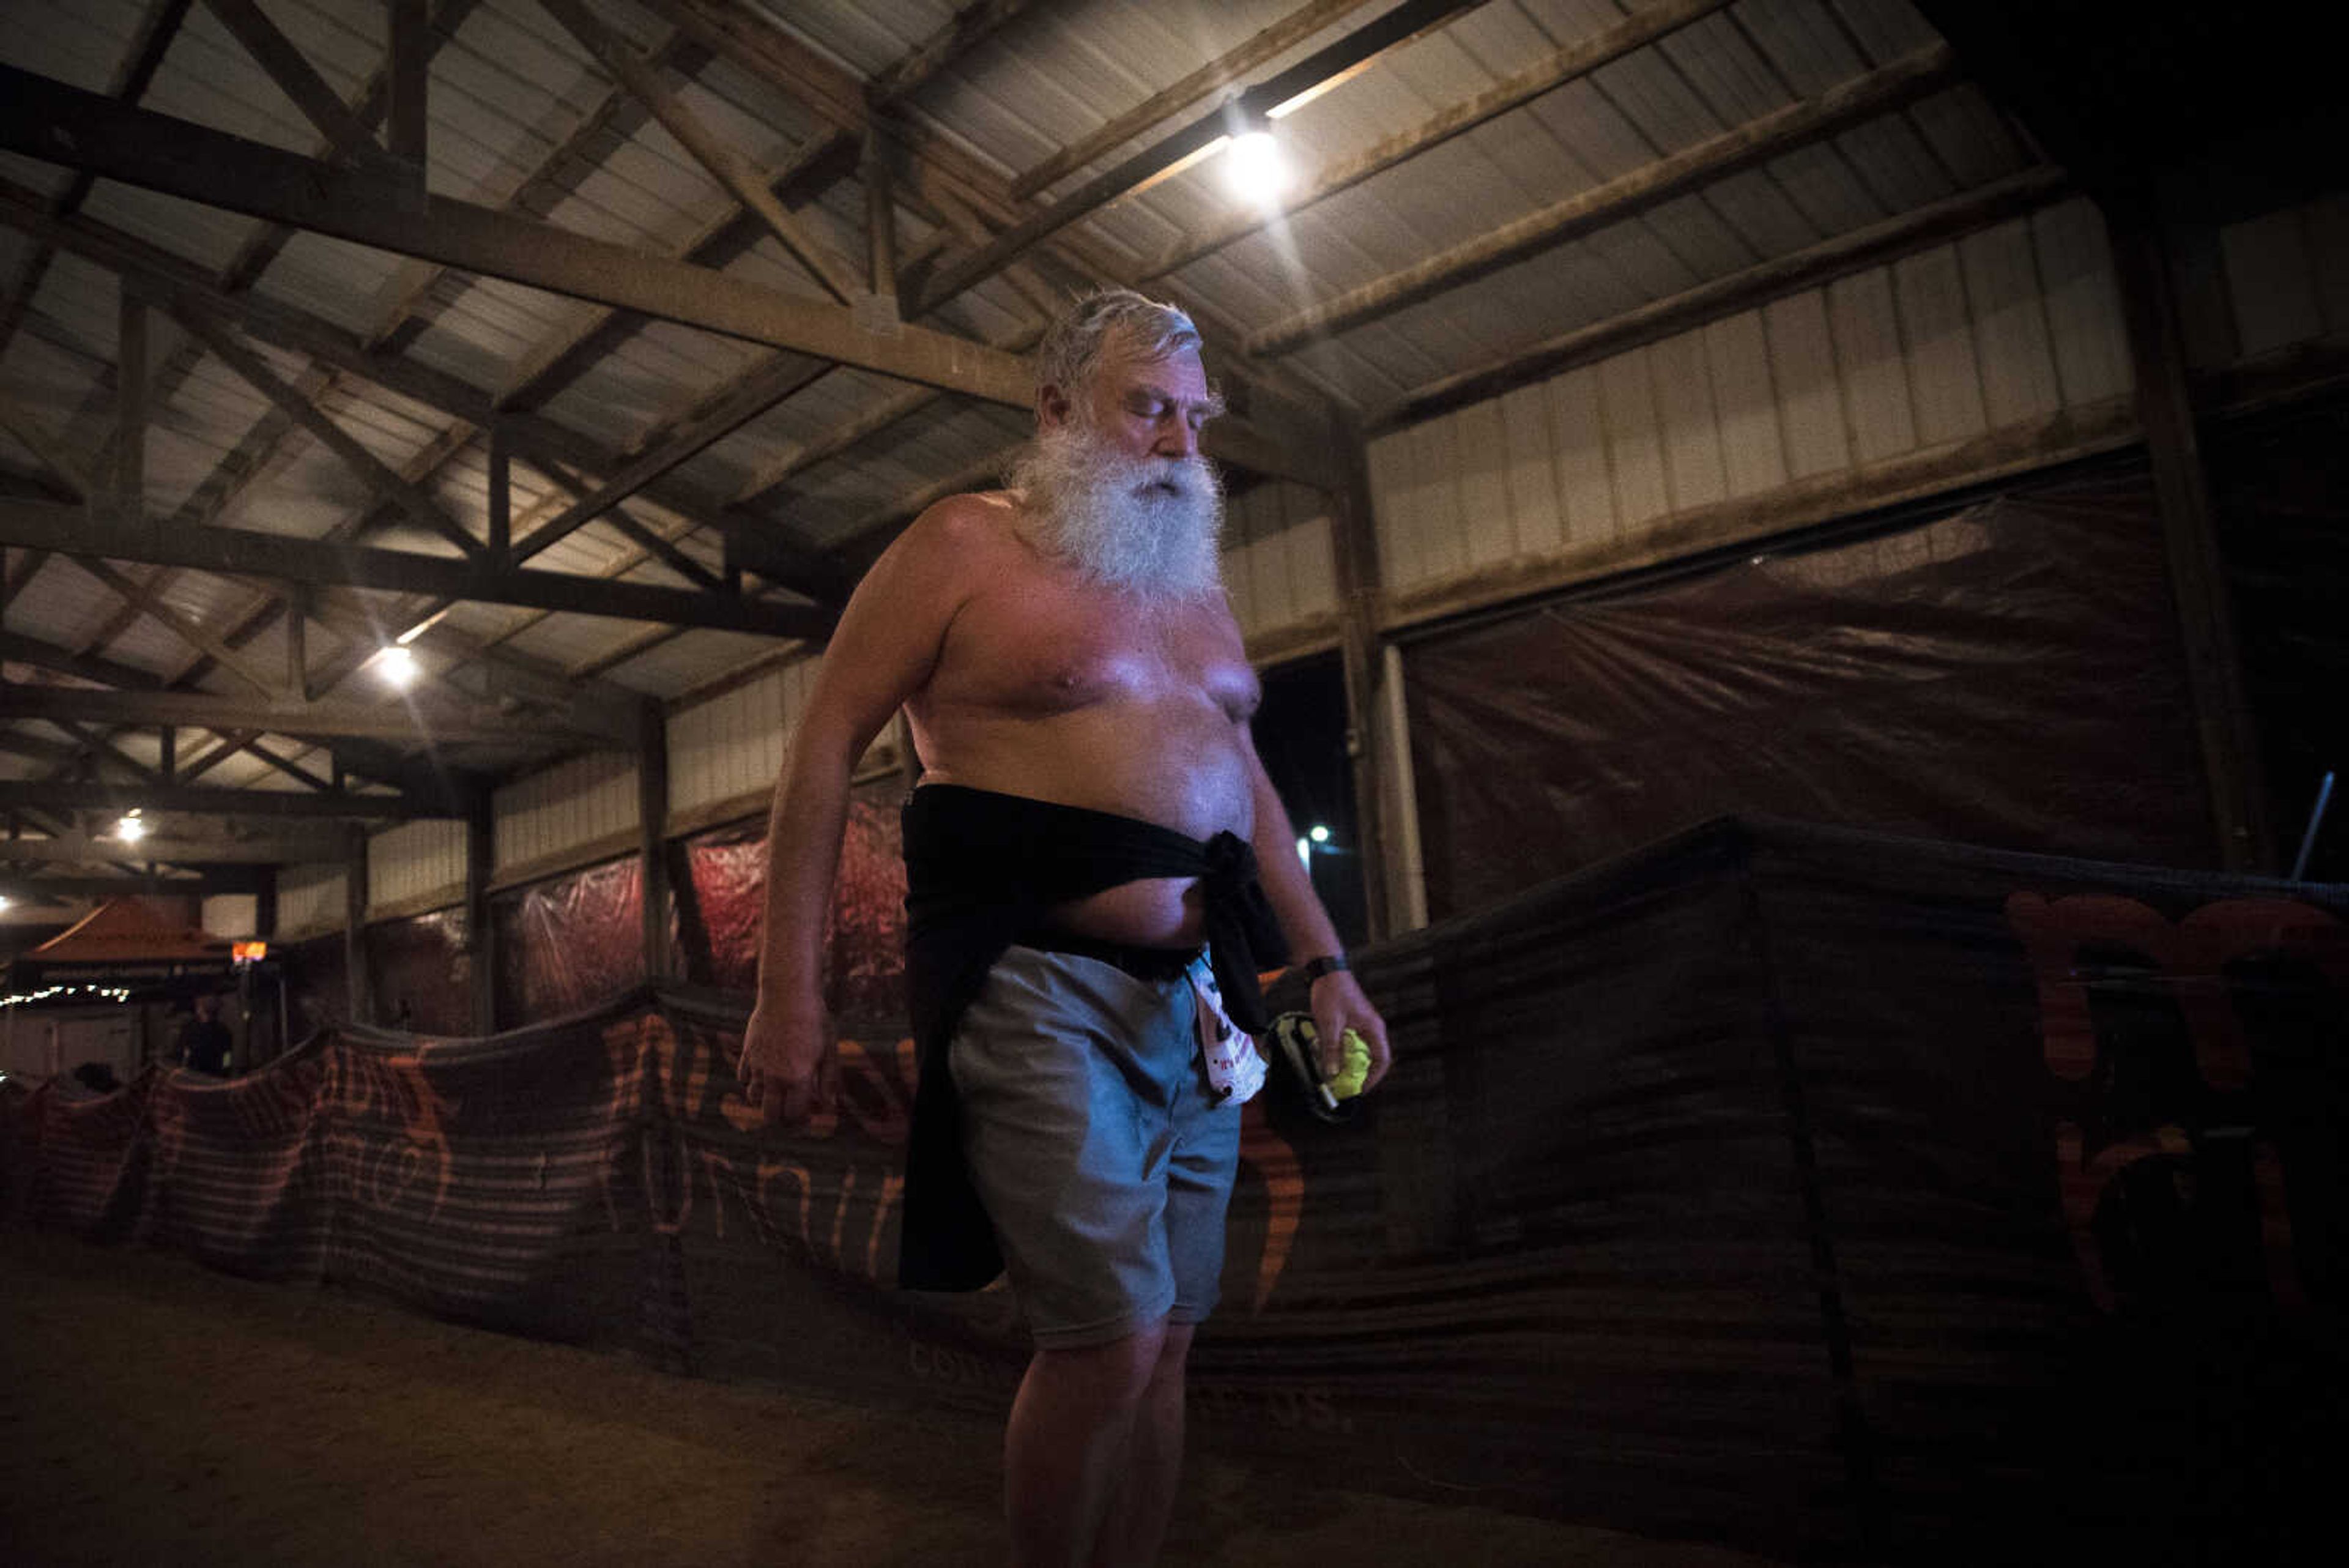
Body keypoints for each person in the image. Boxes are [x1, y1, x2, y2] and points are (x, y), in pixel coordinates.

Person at [739, 288, 1392, 1568]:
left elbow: (1251, 793)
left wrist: (1324, 963)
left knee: (1171, 1343)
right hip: (1032, 987)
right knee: (1110, 1340)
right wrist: (788, 992)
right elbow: (824, 745)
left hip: (1200, 995)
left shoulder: (1196, 591)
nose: (1179, 444)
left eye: (1195, 419)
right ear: (1055, 410)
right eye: (1148, 407)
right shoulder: (960, 546)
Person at [176, 992, 231, 1077]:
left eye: (198, 1006)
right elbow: (227, 1056)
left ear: (201, 1009)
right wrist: (226, 1071)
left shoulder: (192, 1029)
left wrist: (183, 1068)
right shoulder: (224, 1031)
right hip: (215, 1075)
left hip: (195, 1075)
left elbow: (187, 1052)